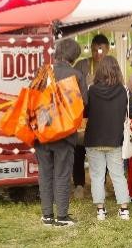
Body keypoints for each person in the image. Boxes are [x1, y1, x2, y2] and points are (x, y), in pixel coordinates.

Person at [35, 38, 87, 227]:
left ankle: (47, 215)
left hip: (42, 131)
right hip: (64, 133)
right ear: (73, 56)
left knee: (45, 173)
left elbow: (32, 99)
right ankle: (62, 217)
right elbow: (84, 104)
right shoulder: (76, 75)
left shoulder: (43, 72)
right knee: (63, 173)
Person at [84, 56, 132, 221]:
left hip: (93, 139)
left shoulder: (91, 90)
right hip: (115, 139)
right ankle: (123, 210)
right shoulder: (124, 90)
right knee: (118, 175)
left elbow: (85, 112)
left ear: (99, 70)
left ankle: (100, 210)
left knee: (97, 175)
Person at [73, 34, 110, 198]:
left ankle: (101, 184)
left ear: (108, 50)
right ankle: (79, 184)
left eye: (101, 50)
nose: (98, 54)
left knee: (103, 148)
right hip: (83, 110)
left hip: (103, 111)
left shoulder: (110, 66)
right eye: (94, 50)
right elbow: (71, 85)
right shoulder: (82, 64)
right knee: (79, 147)